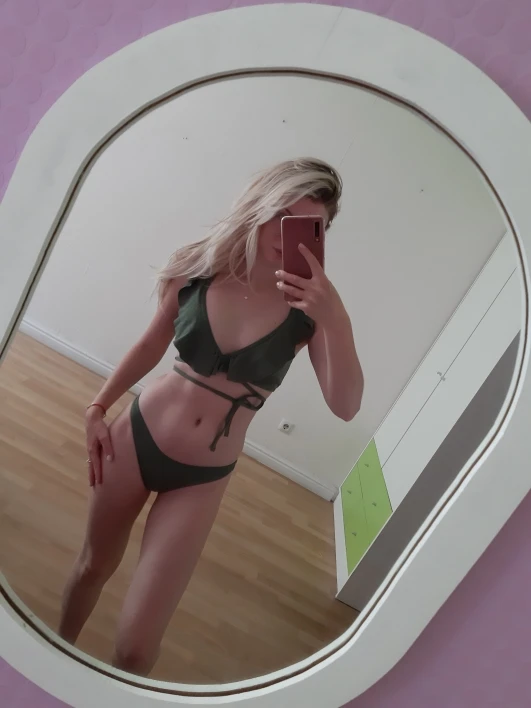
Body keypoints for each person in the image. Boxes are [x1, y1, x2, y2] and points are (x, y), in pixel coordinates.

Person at [58, 157, 364, 676]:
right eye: (281, 215)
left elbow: (346, 405)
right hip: (136, 437)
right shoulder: (197, 267)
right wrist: (97, 406)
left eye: (307, 225)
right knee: (92, 566)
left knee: (136, 649)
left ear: (321, 234)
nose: (285, 233)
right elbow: (152, 343)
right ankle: (54, 662)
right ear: (259, 206)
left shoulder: (310, 312)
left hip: (201, 477)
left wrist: (336, 318)